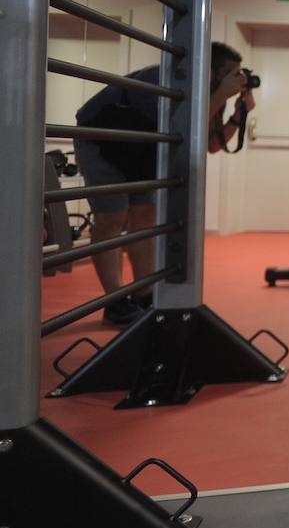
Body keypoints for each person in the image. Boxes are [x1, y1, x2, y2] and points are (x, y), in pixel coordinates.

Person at [75, 42, 252, 326]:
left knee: (144, 217)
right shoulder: (175, 80)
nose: (238, 78)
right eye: (230, 72)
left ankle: (143, 295)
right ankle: (115, 302)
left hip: (141, 146)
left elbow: (211, 144)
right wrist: (220, 95)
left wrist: (237, 114)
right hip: (103, 136)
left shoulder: (209, 93)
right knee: (112, 217)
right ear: (210, 70)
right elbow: (185, 127)